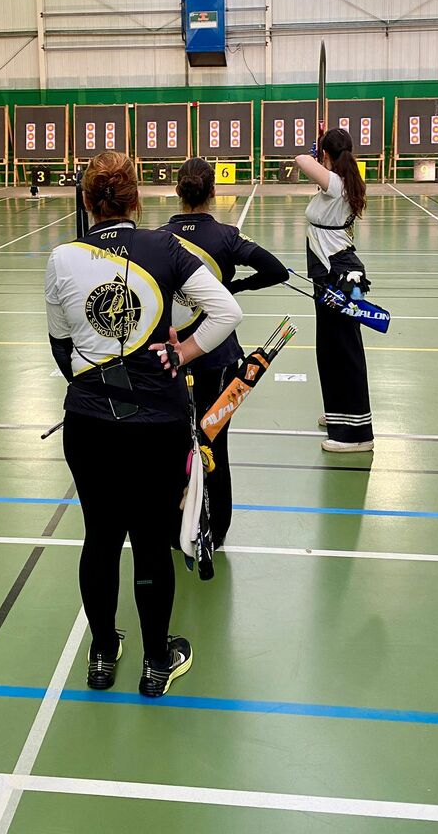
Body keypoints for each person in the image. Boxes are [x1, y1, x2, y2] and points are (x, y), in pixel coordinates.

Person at [45, 151, 242, 698]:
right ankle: (156, 662)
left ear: (89, 203)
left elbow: (62, 350)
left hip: (89, 425)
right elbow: (227, 312)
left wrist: (98, 380)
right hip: (157, 426)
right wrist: (183, 353)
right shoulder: (165, 247)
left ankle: (102, 654)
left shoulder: (62, 258)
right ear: (136, 200)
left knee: (100, 538)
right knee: (152, 542)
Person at [161, 157, 289, 545]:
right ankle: (215, 532)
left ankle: (176, 527)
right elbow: (277, 271)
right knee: (213, 442)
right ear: (213, 192)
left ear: (178, 191)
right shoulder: (226, 236)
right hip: (218, 358)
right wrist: (233, 288)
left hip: (173, 357)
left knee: (175, 442)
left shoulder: (158, 239)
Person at [295, 127, 374, 453]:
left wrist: (316, 154)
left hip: (338, 275)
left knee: (344, 349)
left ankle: (357, 435)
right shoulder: (339, 183)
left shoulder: (337, 184)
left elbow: (300, 159)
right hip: (331, 272)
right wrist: (324, 152)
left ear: (327, 155)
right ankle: (340, 414)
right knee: (329, 348)